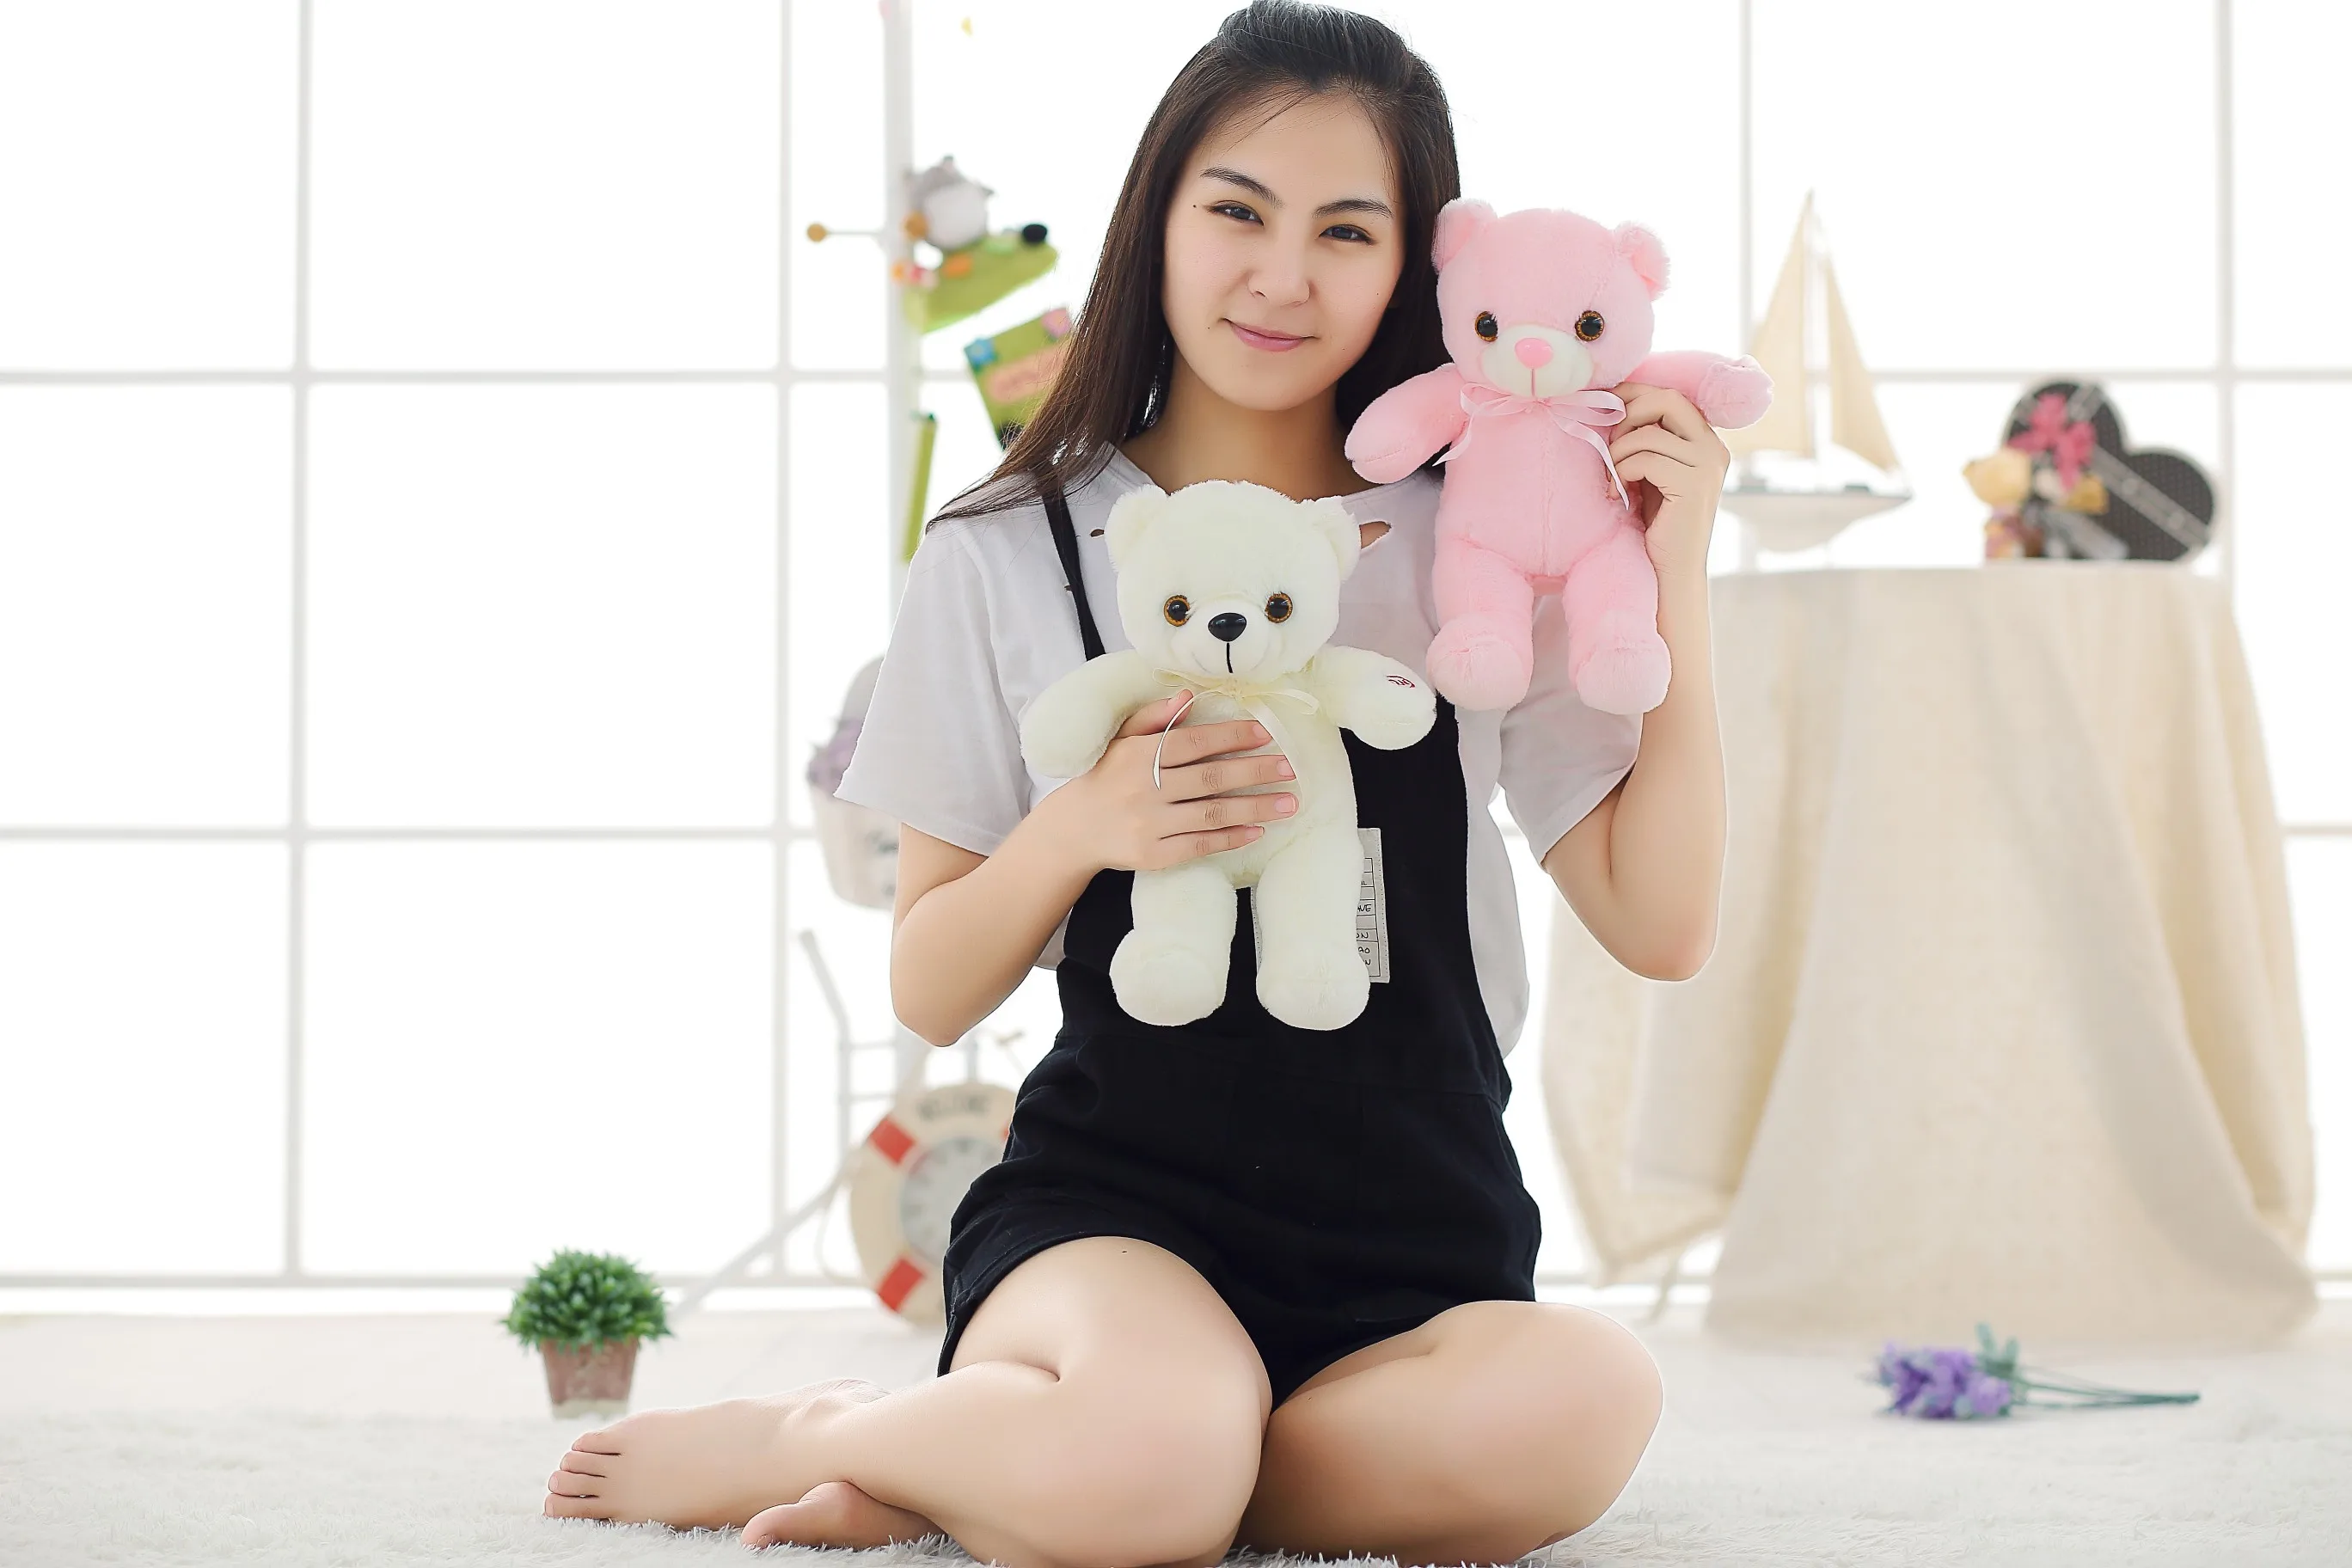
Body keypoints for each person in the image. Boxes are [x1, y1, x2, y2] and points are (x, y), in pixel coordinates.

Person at [542, 3, 1730, 1562]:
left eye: (1346, 230)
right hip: (1115, 1224)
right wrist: (1085, 824)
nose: (1282, 275)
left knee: (1591, 1397)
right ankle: (842, 1431)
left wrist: (1675, 576)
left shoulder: (1492, 545)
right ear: (1157, 219)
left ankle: (1052, 1467)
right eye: (1237, 211)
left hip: (1418, 1227)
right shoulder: (1009, 547)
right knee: (1160, 1437)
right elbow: (931, 983)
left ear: (1413, 268)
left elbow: (1660, 923)